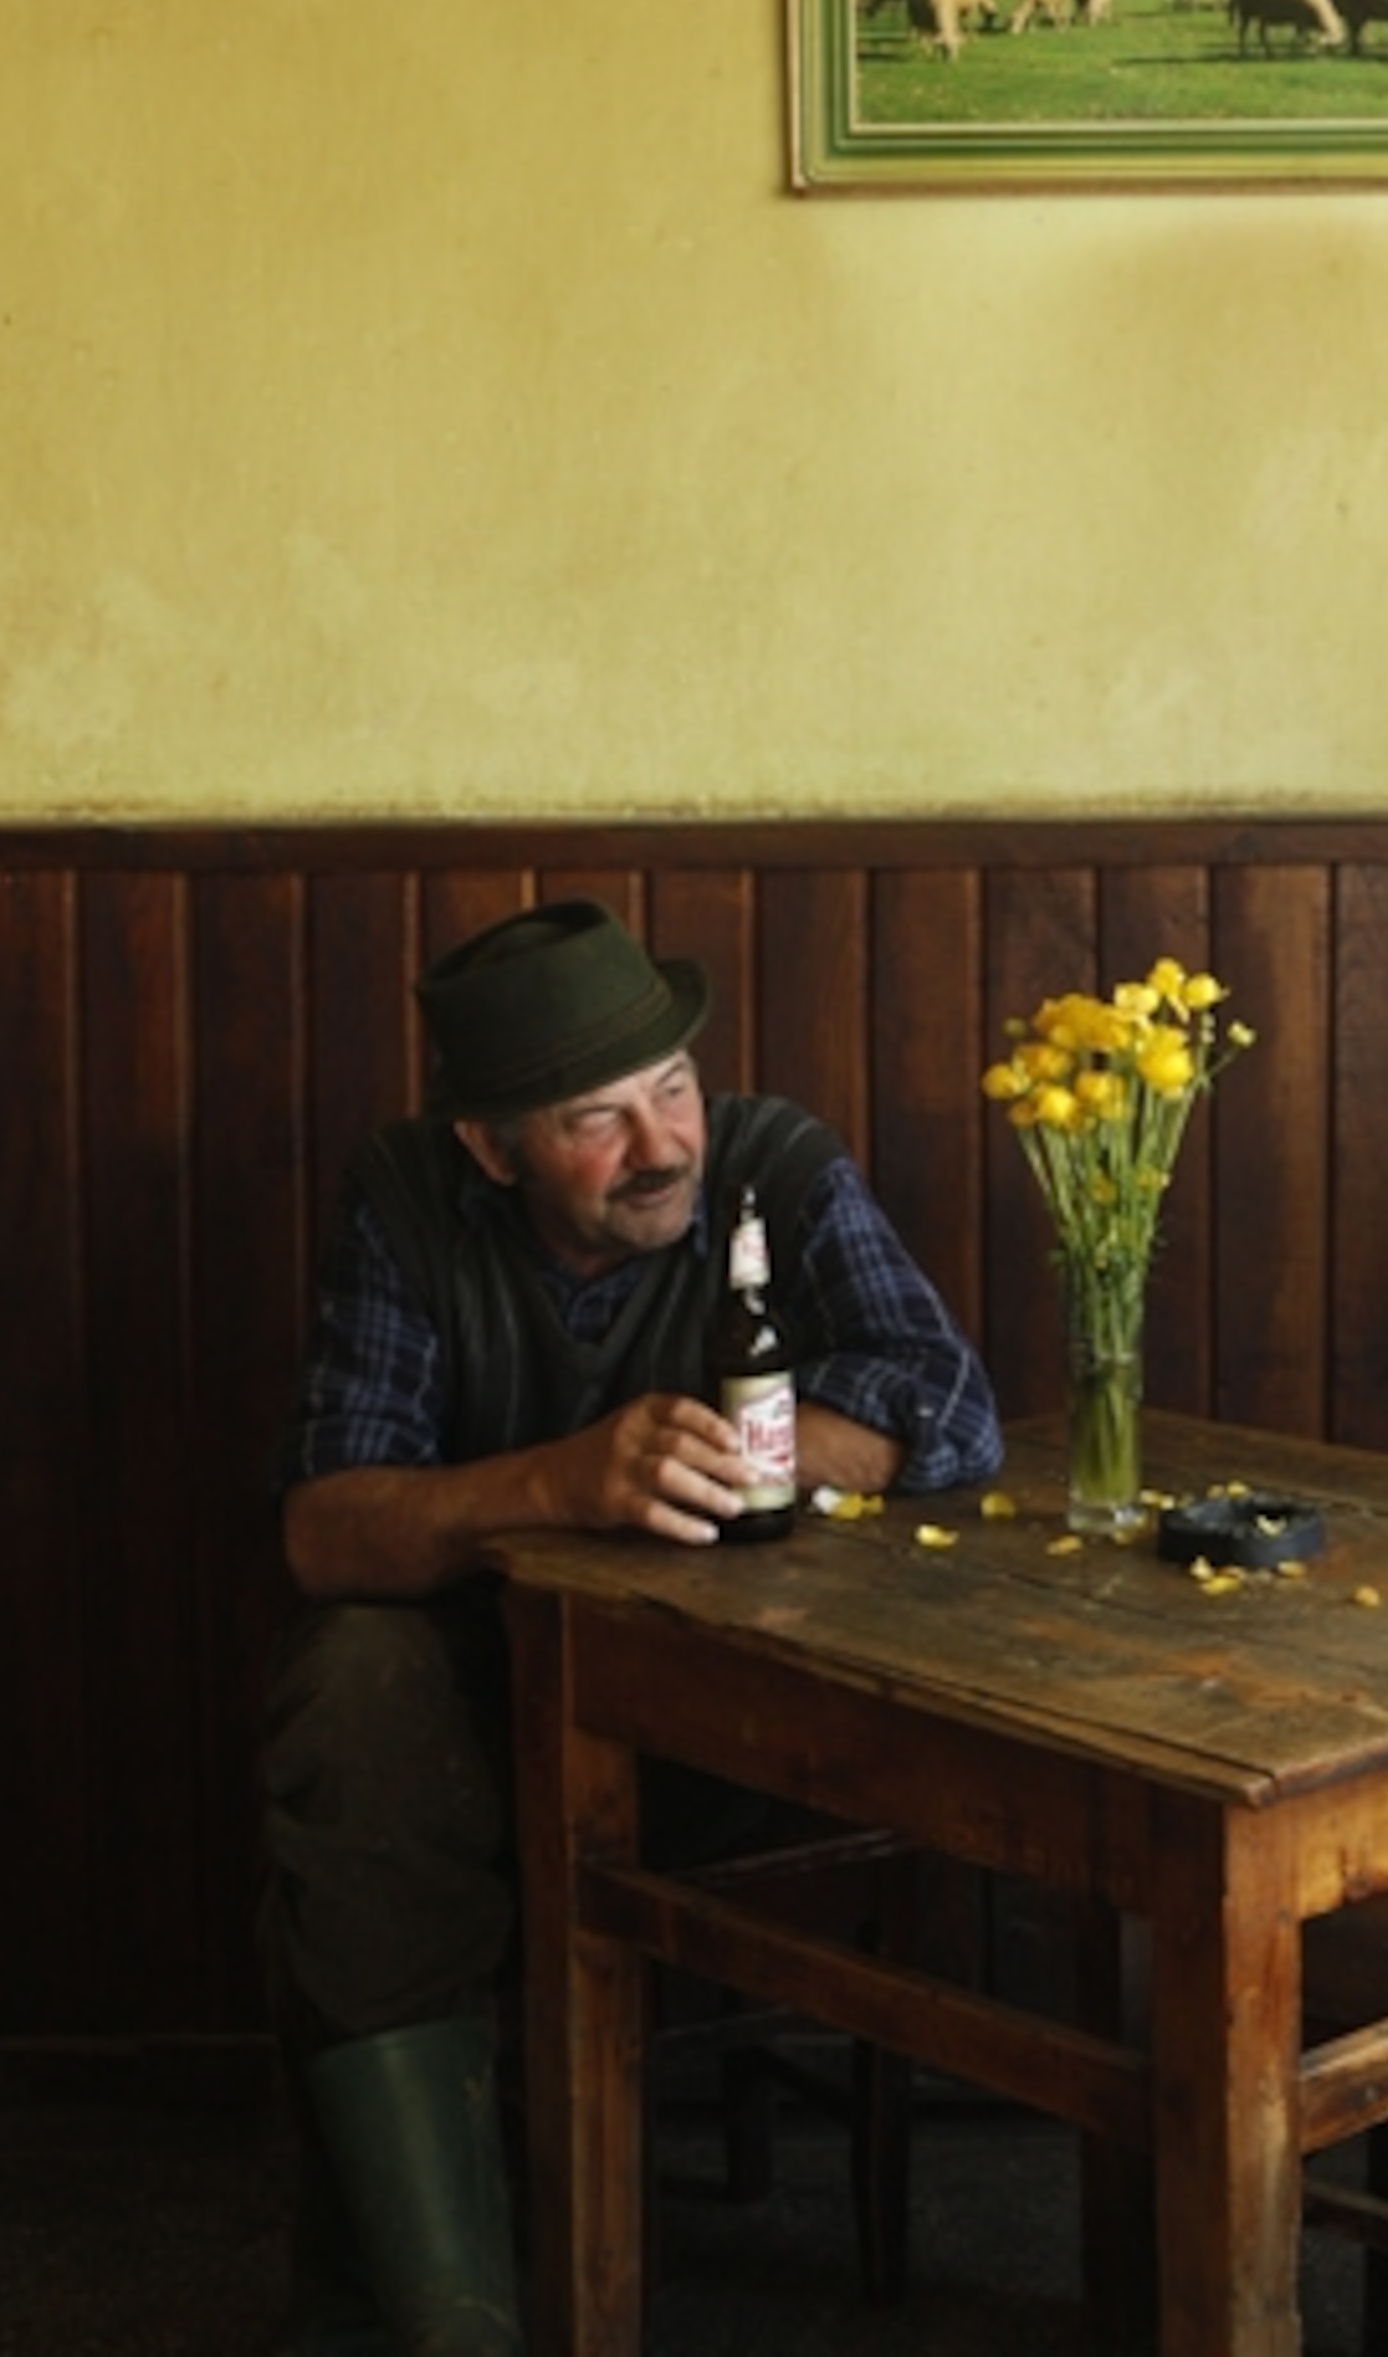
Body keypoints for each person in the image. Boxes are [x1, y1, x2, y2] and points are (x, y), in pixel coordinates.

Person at [259, 898, 1003, 2357]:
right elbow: (321, 1526)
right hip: (475, 1706)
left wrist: (742, 1460)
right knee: (347, 1692)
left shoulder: (774, 1160)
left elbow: (948, 1402)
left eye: (672, 1087)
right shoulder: (410, 1197)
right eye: (595, 1121)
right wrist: (557, 1481)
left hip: (737, 1704)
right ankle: (451, 2317)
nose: (664, 1145)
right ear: (492, 1147)